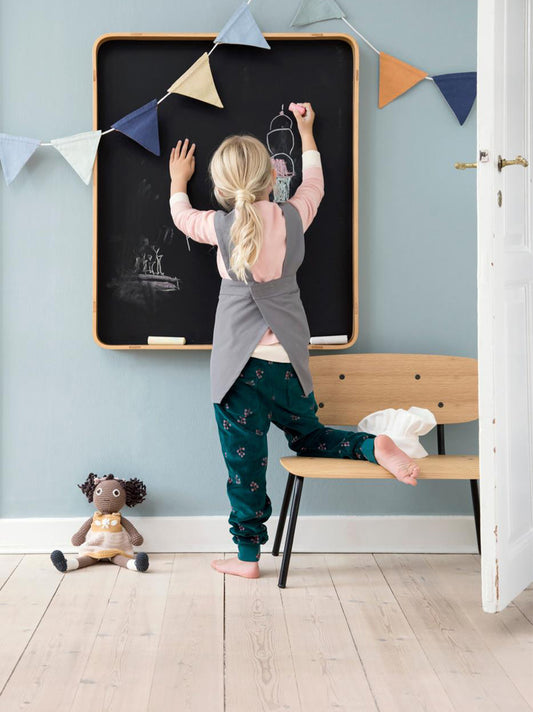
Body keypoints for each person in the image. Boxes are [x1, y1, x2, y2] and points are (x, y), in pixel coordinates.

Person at [168, 102, 420, 580]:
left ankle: (247, 558)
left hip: (238, 374)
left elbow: (182, 216)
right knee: (313, 438)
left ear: (221, 189)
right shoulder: (292, 217)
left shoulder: (218, 226)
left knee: (245, 467)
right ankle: (371, 447)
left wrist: (179, 180)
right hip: (288, 364)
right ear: (272, 181)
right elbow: (315, 188)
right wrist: (306, 133)